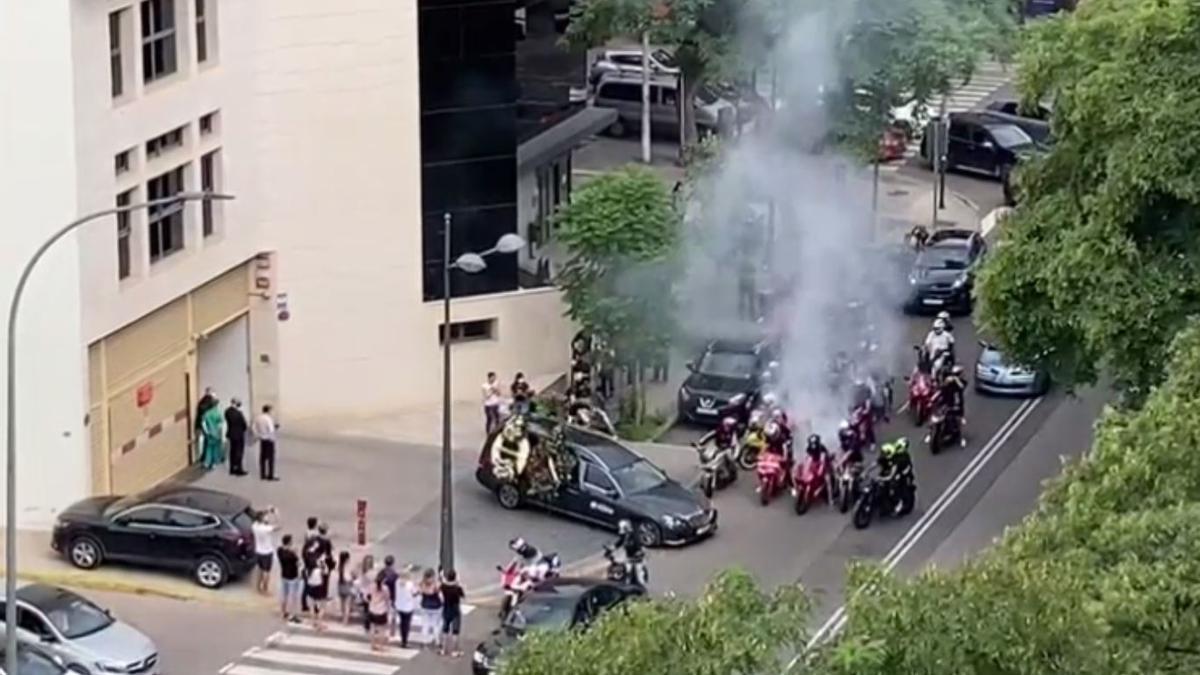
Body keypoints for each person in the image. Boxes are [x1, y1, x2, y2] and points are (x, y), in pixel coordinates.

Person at [489, 416, 532, 484]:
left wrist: (503, 451)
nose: (517, 429)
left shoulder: (522, 441)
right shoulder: (504, 436)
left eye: (519, 427)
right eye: (516, 426)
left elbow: (522, 456)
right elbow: (495, 450)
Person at [877, 438, 916, 512]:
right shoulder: (892, 455)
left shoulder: (902, 458)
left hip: (903, 475)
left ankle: (899, 503)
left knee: (895, 488)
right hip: (895, 471)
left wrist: (885, 478)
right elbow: (877, 463)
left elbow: (893, 472)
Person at [610, 520, 646, 587]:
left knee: (639, 574)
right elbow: (620, 542)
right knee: (627, 571)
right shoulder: (625, 536)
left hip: (637, 558)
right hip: (629, 556)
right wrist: (612, 548)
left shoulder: (635, 537)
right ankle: (627, 585)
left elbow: (640, 547)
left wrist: (638, 554)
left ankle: (642, 588)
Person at [251, 507, 279, 596]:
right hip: (267, 552)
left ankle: (258, 587)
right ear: (262, 519)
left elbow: (259, 515)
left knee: (260, 570)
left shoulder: (254, 526)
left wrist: (268, 510)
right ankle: (265, 589)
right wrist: (276, 514)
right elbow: (279, 526)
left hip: (258, 551)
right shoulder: (266, 529)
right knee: (266, 572)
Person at [276, 534, 302, 624]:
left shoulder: (279, 551)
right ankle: (292, 615)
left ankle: (283, 613)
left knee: (284, 595)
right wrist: (295, 553)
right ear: (289, 542)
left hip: (284, 575)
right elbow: (299, 563)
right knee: (293, 596)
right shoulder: (292, 555)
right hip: (292, 577)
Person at [439, 569, 465, 657]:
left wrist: (442, 576)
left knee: (445, 629)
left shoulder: (443, 586)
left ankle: (443, 649)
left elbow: (442, 583)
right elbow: (463, 595)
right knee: (455, 631)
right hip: (455, 610)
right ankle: (454, 651)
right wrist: (459, 582)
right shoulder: (457, 588)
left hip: (446, 609)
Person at [417, 568, 443, 649]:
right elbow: (441, 596)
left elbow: (418, 593)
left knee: (425, 625)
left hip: (425, 606)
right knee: (436, 625)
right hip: (436, 607)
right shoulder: (436, 585)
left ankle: (424, 642)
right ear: (432, 576)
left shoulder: (422, 584)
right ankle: (437, 642)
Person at [366, 571, 392, 652]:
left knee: (372, 628)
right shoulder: (385, 588)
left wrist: (370, 602)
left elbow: (366, 596)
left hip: (372, 609)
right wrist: (388, 611)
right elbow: (387, 600)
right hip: (381, 611)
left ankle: (372, 645)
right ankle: (381, 647)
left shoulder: (371, 586)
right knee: (381, 630)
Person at [305, 553, 331, 632]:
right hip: (320, 589)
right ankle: (320, 624)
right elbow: (326, 572)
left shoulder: (307, 570)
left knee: (312, 607)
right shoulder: (320, 570)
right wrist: (323, 563)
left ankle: (313, 622)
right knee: (322, 607)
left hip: (310, 588)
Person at [393, 566, 417, 647]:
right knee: (406, 624)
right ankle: (404, 641)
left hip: (399, 606)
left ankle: (402, 639)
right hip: (408, 607)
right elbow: (414, 593)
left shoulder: (397, 582)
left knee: (402, 623)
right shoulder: (410, 584)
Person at [253, 404, 279, 481]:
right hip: (269, 439)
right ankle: (270, 475)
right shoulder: (268, 419)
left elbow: (253, 427)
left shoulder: (258, 417)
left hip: (262, 439)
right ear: (268, 410)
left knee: (262, 457)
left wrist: (258, 435)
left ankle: (263, 474)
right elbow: (271, 430)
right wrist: (275, 429)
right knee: (270, 458)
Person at [199, 395, 225, 469]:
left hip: (209, 433)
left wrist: (207, 431)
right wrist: (220, 432)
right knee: (216, 448)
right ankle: (214, 462)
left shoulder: (206, 413)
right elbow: (220, 424)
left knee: (209, 448)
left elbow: (203, 423)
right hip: (216, 433)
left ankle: (207, 462)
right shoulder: (217, 413)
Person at [224, 398, 249, 475]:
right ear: (235, 403)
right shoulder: (239, 413)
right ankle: (239, 468)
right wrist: (244, 429)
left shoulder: (227, 411)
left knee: (232, 451)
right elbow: (244, 425)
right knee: (239, 452)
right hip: (239, 434)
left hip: (231, 433)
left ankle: (232, 468)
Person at [336, 551, 354, 624]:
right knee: (347, 604)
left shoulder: (339, 566)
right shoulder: (348, 567)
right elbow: (349, 578)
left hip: (340, 586)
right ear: (347, 559)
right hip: (347, 585)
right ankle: (345, 621)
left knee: (342, 604)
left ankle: (343, 618)